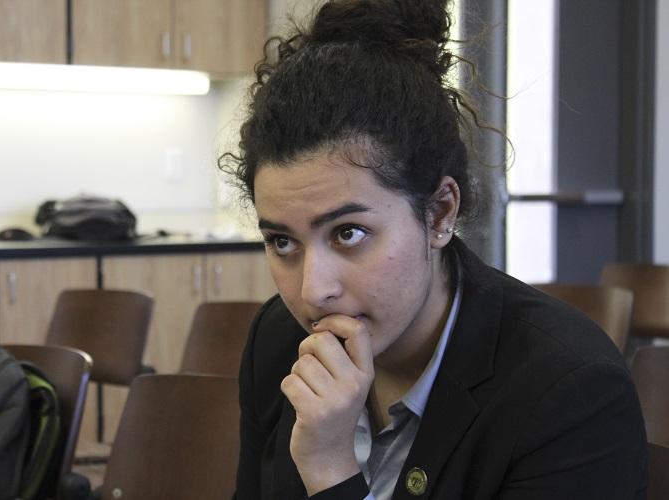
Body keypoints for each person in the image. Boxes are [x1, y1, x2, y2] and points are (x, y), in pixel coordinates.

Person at [219, 1, 648, 498]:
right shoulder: (278, 342)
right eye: (282, 242)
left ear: (440, 213)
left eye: (348, 233)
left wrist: (330, 470)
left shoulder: (568, 391)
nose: (314, 291)